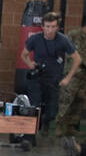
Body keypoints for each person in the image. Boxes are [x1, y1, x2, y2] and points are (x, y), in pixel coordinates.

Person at [20, 12, 79, 148]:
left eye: (53, 27)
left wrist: (68, 78)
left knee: (52, 112)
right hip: (37, 77)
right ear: (42, 27)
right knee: (33, 107)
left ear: (57, 27)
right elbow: (24, 54)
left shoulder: (63, 40)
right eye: (47, 26)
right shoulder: (35, 39)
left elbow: (77, 59)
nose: (50, 30)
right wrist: (30, 64)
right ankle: (29, 138)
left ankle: (42, 122)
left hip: (54, 79)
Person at [57, 16, 86, 154]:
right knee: (66, 100)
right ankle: (59, 126)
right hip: (72, 73)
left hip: (84, 76)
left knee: (78, 101)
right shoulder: (73, 35)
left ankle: (71, 125)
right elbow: (66, 51)